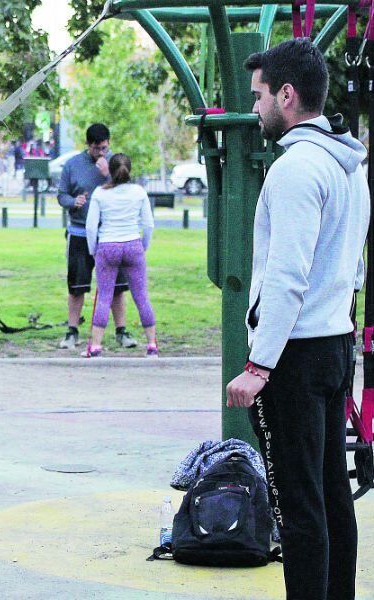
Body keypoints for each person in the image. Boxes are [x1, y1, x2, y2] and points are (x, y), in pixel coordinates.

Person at [225, 38, 369, 600]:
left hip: (295, 354)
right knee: (332, 492)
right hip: (335, 343)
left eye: (259, 96)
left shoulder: (294, 170)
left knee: (297, 502)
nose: (255, 107)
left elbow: (287, 277)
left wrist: (258, 366)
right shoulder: (348, 162)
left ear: (287, 95)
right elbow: (349, 262)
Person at [56, 123, 137, 350]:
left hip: (111, 234)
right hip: (80, 233)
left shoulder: (117, 163)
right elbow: (61, 194)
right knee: (77, 286)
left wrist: (107, 174)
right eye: (97, 149)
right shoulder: (72, 165)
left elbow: (130, 191)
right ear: (88, 145)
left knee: (118, 287)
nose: (101, 153)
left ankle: (121, 331)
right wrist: (73, 202)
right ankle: (72, 332)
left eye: (104, 148)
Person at [84, 153, 157, 357]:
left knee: (104, 297)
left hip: (108, 246)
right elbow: (148, 224)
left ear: (110, 170)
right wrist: (143, 245)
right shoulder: (139, 192)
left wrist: (93, 250)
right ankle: (152, 345)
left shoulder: (100, 193)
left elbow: (91, 227)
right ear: (129, 170)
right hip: (132, 244)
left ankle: (96, 346)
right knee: (141, 296)